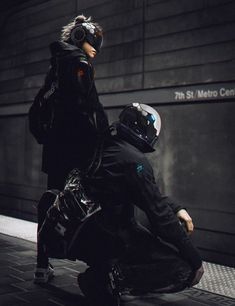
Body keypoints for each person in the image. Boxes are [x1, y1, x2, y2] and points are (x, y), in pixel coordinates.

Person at [70, 103, 204, 306]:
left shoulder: (108, 145)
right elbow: (161, 219)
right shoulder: (134, 161)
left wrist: (176, 207)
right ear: (147, 131)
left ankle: (103, 272)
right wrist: (195, 261)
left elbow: (142, 194)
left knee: (143, 238)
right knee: (182, 270)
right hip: (110, 234)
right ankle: (106, 279)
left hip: (86, 231)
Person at [33, 15, 109, 283]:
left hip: (55, 151)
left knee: (51, 202)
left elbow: (37, 109)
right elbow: (88, 108)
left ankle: (42, 266)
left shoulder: (55, 67)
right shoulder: (79, 63)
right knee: (96, 202)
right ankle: (103, 267)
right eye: (93, 42)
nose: (96, 49)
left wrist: (47, 138)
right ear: (80, 38)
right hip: (78, 150)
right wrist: (101, 138)